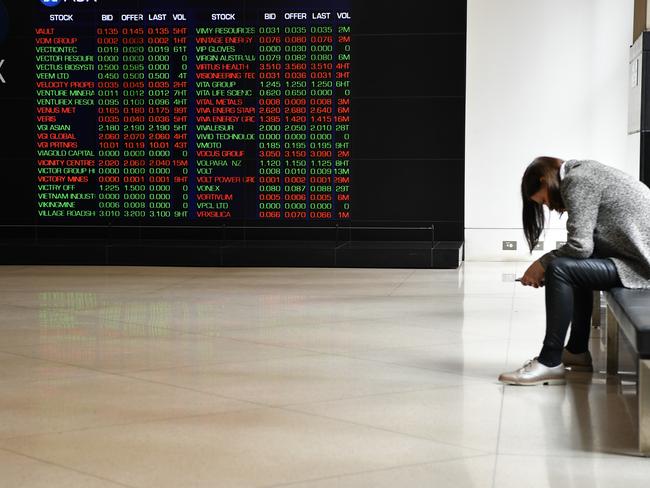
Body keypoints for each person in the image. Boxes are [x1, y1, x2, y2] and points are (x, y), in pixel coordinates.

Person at [498, 157, 650, 385]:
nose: (548, 206)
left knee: (560, 269)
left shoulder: (577, 180)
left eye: (544, 200)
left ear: (545, 180)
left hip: (640, 267)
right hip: (634, 259)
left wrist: (542, 263)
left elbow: (580, 247)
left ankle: (550, 362)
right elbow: (584, 248)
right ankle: (577, 352)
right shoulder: (584, 171)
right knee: (569, 267)